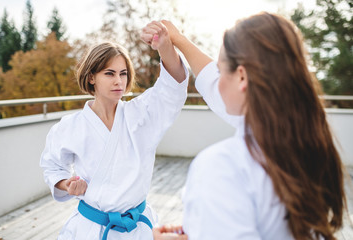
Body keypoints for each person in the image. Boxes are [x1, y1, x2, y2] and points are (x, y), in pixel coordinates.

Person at [149, 13, 346, 240]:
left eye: (221, 70)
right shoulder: (311, 147)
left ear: (242, 77)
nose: (217, 81)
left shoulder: (221, 167)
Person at [40, 21, 189, 240]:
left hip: (136, 228)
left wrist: (165, 46)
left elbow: (172, 88)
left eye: (123, 73)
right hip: (91, 229)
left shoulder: (141, 115)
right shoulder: (69, 127)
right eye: (109, 74)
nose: (118, 81)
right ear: (92, 77)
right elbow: (52, 165)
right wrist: (67, 183)